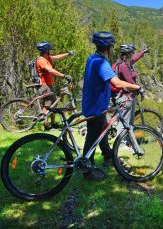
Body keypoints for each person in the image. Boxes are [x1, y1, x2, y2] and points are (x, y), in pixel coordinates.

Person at [81, 31, 141, 181]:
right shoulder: (101, 63)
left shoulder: (92, 58)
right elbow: (117, 83)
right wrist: (137, 87)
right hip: (95, 106)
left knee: (102, 132)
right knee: (92, 137)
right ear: (108, 47)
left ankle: (108, 157)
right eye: (111, 47)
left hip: (94, 103)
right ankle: (87, 170)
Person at [35, 42, 74, 130]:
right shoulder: (41, 60)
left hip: (49, 85)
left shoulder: (47, 58)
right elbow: (51, 70)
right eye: (49, 49)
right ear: (45, 50)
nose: (50, 51)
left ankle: (53, 124)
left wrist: (68, 54)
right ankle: (46, 125)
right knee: (48, 106)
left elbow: (57, 57)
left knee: (53, 105)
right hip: (44, 86)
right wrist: (63, 75)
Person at [111, 43, 149, 126]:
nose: (133, 55)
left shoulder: (127, 62)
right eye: (131, 53)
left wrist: (143, 52)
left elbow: (136, 57)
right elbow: (130, 82)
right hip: (125, 98)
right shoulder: (124, 66)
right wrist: (139, 89)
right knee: (125, 124)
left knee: (129, 123)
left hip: (129, 96)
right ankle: (123, 139)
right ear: (128, 54)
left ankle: (128, 138)